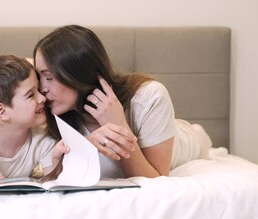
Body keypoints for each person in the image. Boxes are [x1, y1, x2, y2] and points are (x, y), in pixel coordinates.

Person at [33, 25, 212, 178]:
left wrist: (119, 125)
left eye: (48, 77)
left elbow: (155, 180)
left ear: (78, 74)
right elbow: (13, 75)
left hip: (185, 143)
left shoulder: (148, 97)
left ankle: (197, 131)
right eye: (38, 77)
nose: (42, 88)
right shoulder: (54, 112)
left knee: (198, 137)